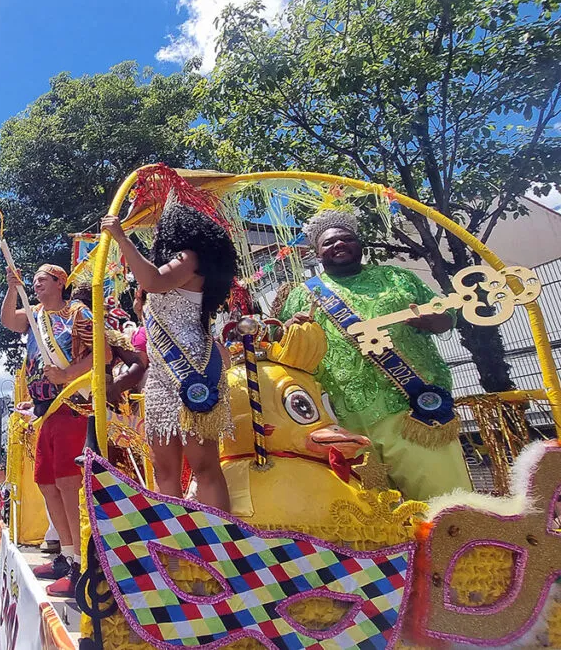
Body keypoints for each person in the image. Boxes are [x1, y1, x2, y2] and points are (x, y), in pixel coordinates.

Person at [279, 209, 472, 500]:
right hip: (345, 420)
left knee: (448, 504)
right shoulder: (301, 295)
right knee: (376, 517)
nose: (338, 245)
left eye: (346, 239)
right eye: (329, 243)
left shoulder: (397, 278)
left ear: (360, 245)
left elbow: (446, 315)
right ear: (317, 254)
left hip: (413, 410)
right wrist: (288, 330)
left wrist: (436, 320)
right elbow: (285, 350)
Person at [102, 197, 239, 512]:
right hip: (161, 377)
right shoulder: (172, 263)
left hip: (192, 368)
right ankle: (175, 547)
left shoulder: (189, 258)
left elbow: (153, 281)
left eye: (164, 224)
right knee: (164, 470)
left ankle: (218, 545)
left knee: (204, 466)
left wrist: (122, 238)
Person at [1, 263, 107, 596]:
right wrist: (10, 287)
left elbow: (101, 354)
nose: (36, 285)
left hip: (71, 404)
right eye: (33, 281)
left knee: (66, 481)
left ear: (60, 282)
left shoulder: (78, 313)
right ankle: (64, 553)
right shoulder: (33, 315)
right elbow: (8, 321)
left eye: (42, 280)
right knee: (46, 482)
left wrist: (67, 374)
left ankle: (80, 564)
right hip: (44, 411)